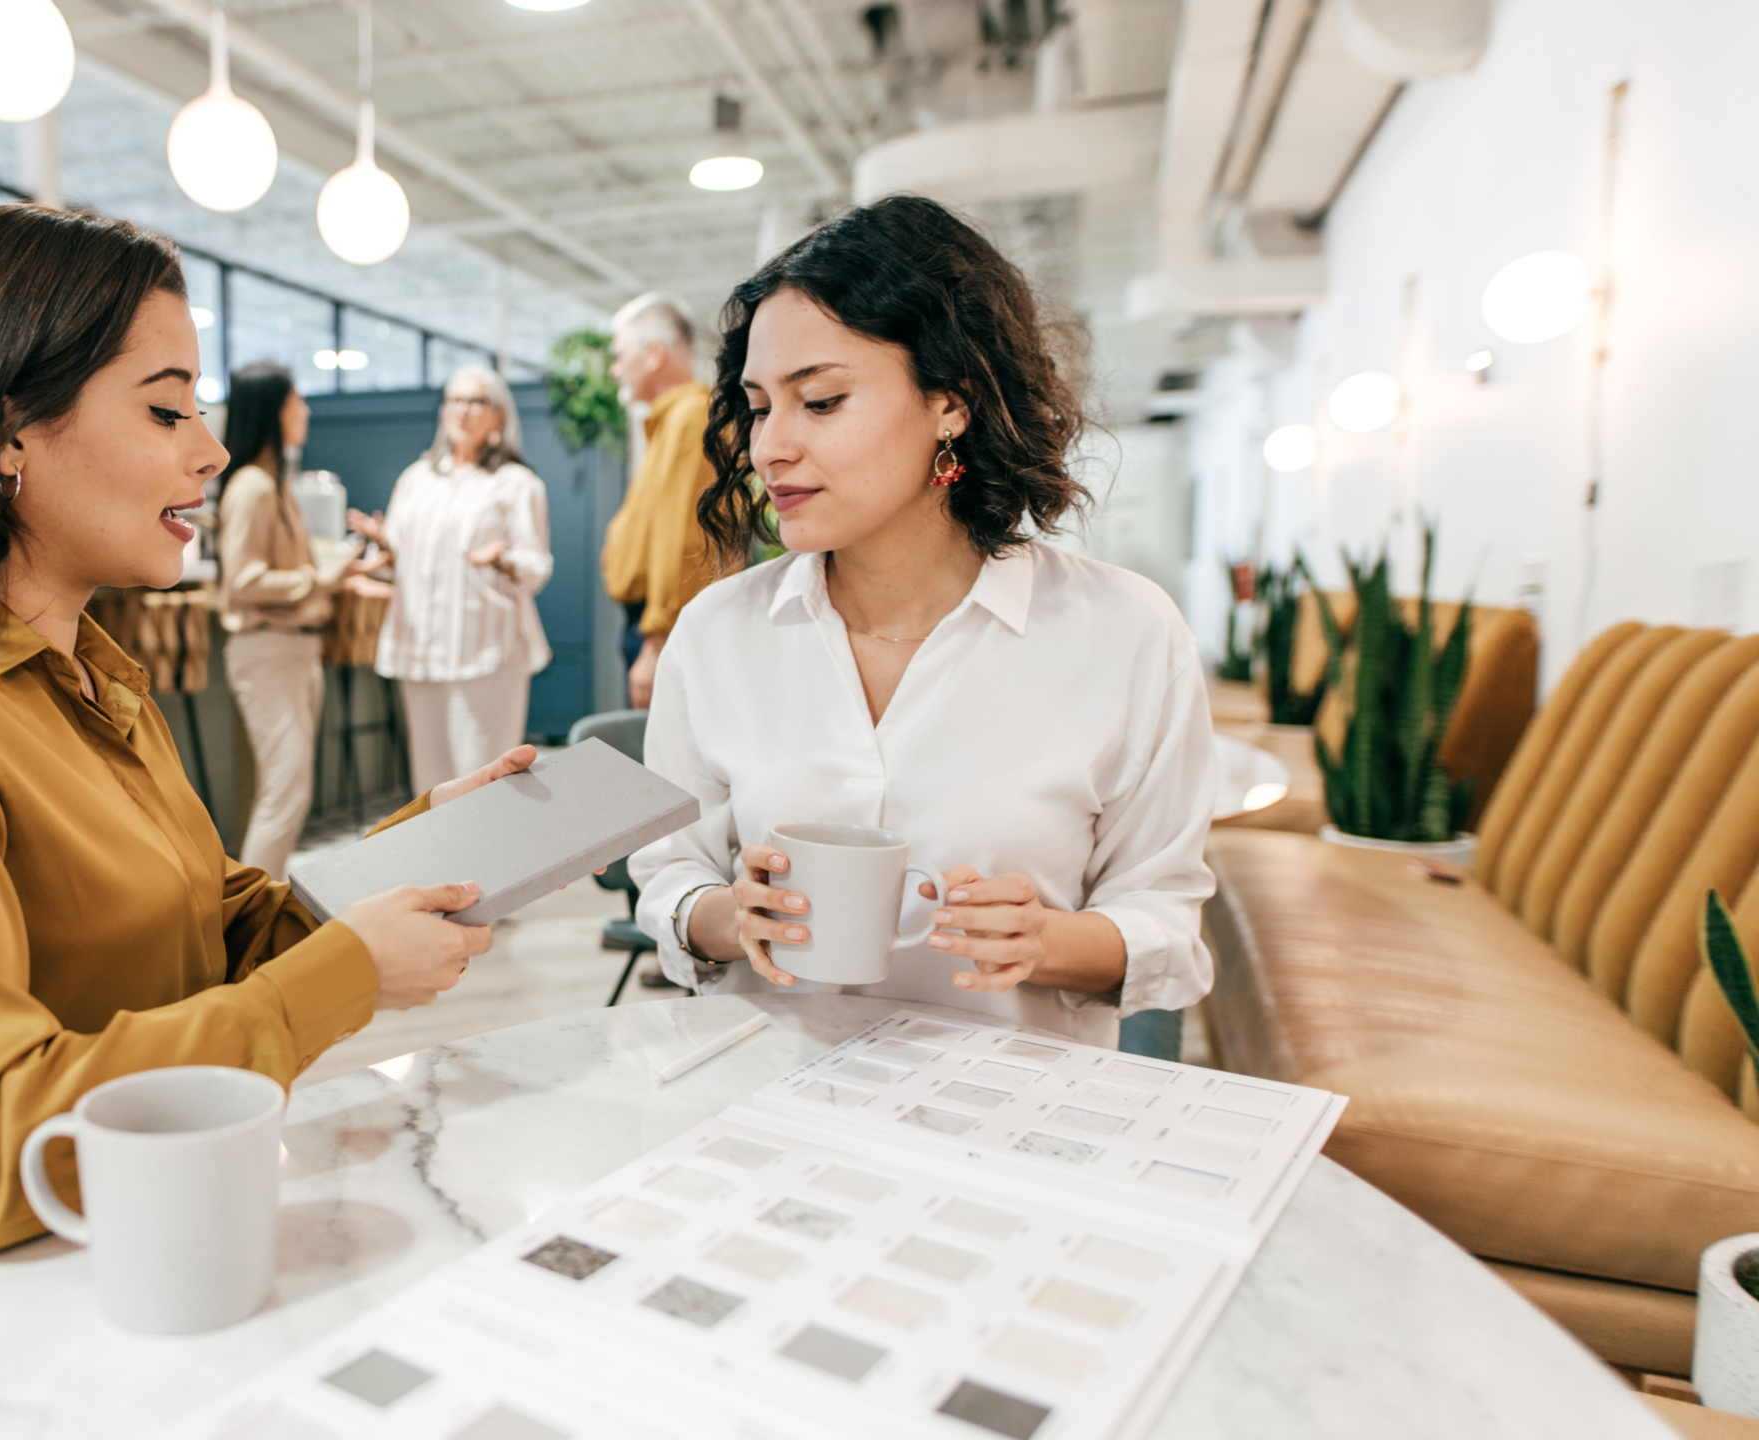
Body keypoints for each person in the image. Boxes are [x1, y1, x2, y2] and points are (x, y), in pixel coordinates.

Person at [0, 205, 533, 1338]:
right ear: (8, 431)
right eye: (164, 408)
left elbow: (198, 933)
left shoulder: (85, 669)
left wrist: (419, 849)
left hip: (115, 1230)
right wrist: (340, 972)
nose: (209, 447)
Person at [631, 195, 1218, 1045]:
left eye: (821, 401)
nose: (769, 448)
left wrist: (1050, 941)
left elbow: (1164, 921)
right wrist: (731, 917)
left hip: (1006, 1121)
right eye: (759, 406)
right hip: (767, 1103)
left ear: (952, 402)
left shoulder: (1125, 632)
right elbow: (668, 879)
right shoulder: (719, 633)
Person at [349, 365, 553, 796]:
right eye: (455, 400)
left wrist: (504, 560)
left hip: (486, 650)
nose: (464, 411)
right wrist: (381, 547)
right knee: (433, 786)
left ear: (499, 415)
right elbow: (400, 562)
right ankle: (444, 866)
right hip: (420, 648)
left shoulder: (517, 483)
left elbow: (536, 567)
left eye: (477, 401)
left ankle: (498, 866)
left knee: (485, 783)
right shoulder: (416, 478)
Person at [215, 363, 374, 879]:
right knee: (286, 790)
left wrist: (333, 577)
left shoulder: (271, 484)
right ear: (272, 410)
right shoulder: (254, 487)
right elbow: (243, 580)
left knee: (290, 790)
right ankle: (249, 923)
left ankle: (259, 912)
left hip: (294, 648)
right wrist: (321, 577)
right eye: (295, 401)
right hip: (269, 648)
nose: (305, 411)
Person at [599, 293, 719, 710]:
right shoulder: (672, 419)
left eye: (619, 355)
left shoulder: (690, 418)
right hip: (657, 624)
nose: (615, 369)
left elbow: (683, 541)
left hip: (664, 629)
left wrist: (657, 642)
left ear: (653, 354)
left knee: (663, 768)